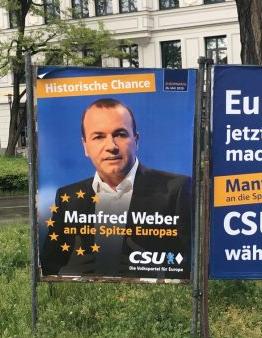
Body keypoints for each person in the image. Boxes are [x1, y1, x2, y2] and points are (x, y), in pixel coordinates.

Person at [40, 98, 192, 278]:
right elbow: (49, 264)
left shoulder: (177, 190)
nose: (111, 146)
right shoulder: (68, 197)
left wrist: (156, 274)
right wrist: (67, 273)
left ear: (136, 140)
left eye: (120, 134)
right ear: (85, 146)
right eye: (98, 137)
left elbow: (193, 262)